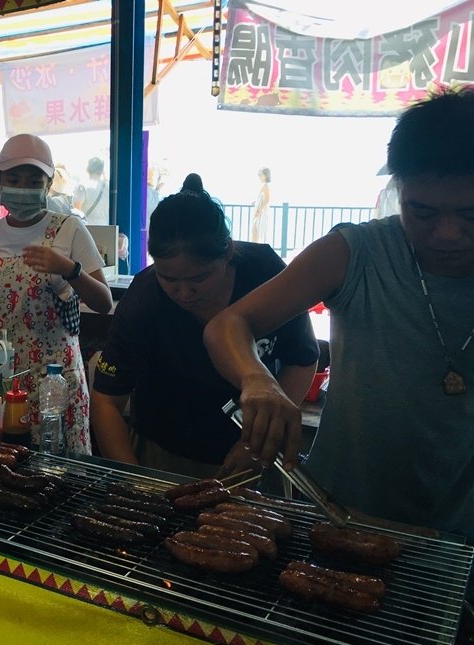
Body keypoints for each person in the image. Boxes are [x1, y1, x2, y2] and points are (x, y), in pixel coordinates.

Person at [203, 87, 474, 543]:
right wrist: (257, 380)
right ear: (398, 190)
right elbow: (228, 325)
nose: (447, 234)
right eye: (422, 212)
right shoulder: (355, 252)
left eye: (471, 215)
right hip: (340, 515)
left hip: (461, 535)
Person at [91, 174, 318, 477]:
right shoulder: (145, 298)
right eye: (169, 279)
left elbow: (302, 359)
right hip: (162, 451)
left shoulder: (264, 274)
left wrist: (254, 442)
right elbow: (107, 400)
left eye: (199, 278)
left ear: (227, 252)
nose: (184, 293)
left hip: (248, 452)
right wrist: (135, 481)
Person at [0, 133, 113, 454]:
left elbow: (103, 302)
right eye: (14, 179)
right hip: (3, 379)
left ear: (48, 185)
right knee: (7, 465)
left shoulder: (69, 229)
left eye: (34, 180)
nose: (23, 188)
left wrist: (70, 269)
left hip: (55, 379)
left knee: (60, 471)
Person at [73, 156, 109, 226]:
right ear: (101, 170)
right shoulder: (108, 187)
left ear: (87, 169)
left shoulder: (82, 186)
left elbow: (77, 211)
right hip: (106, 229)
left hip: (87, 230)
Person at [250, 167, 272, 243]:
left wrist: (259, 210)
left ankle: (254, 248)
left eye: (260, 175)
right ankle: (254, 247)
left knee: (255, 230)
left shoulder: (266, 186)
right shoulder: (264, 185)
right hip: (260, 211)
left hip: (261, 212)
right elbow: (262, 198)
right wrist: (255, 202)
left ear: (265, 175)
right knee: (255, 230)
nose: (259, 176)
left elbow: (267, 200)